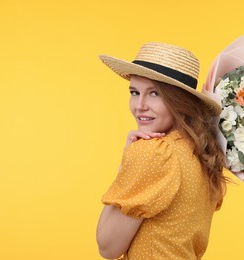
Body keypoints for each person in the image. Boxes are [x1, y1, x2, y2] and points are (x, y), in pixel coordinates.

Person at [96, 42, 227, 259]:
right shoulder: (202, 154)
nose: (140, 105)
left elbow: (108, 247)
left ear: (180, 101)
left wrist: (127, 163)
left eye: (155, 93)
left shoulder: (154, 153)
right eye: (135, 92)